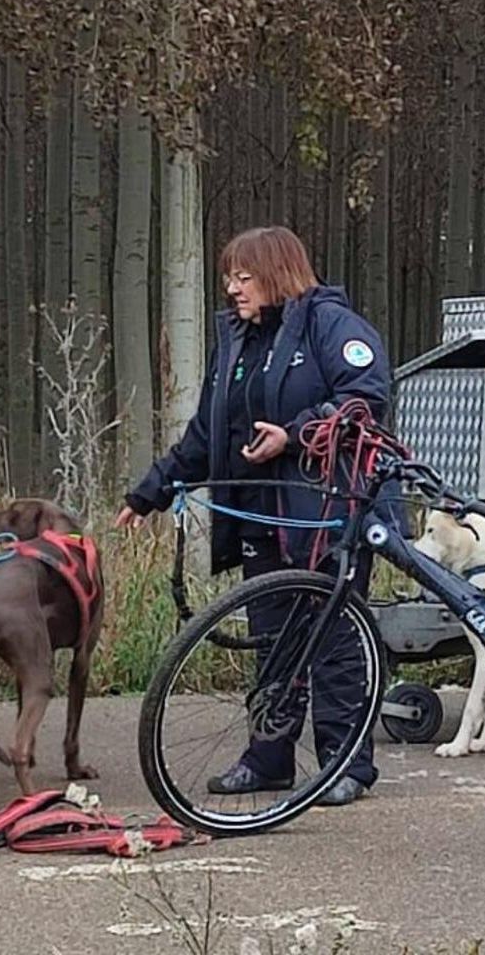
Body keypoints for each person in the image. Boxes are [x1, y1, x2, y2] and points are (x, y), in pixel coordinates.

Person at [116, 225, 392, 807]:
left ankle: (347, 764)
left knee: (333, 641)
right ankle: (268, 760)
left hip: (326, 511)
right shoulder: (237, 341)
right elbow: (206, 432)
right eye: (228, 277)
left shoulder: (330, 325)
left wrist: (293, 436)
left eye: (243, 277)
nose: (232, 288)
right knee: (271, 641)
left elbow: (367, 398)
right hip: (257, 515)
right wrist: (151, 491)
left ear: (276, 272)